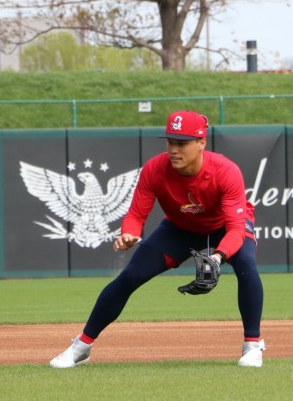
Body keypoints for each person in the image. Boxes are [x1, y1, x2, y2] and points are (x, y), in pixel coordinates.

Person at [50, 110, 265, 368]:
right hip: (180, 229)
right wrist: (128, 233)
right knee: (130, 276)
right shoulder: (155, 169)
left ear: (201, 143)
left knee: (247, 267)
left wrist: (217, 257)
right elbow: (135, 215)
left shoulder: (225, 171)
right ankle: (81, 346)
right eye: (170, 141)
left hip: (224, 228)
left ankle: (252, 346)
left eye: (182, 143)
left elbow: (235, 230)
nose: (174, 149)